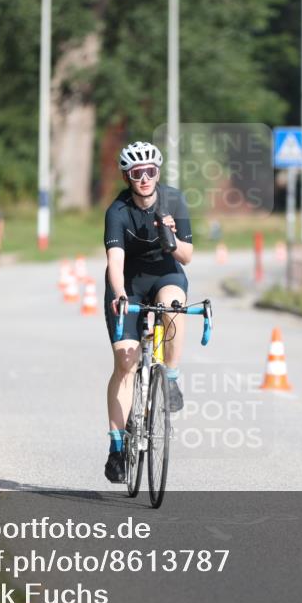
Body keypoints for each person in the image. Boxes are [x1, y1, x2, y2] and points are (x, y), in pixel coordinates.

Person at [102, 141, 194, 483]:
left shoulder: (174, 200)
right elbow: (115, 261)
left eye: (150, 172)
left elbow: (187, 256)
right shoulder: (118, 211)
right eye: (137, 173)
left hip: (165, 273)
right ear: (127, 176)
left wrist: (170, 236)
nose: (144, 178)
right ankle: (116, 447)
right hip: (128, 281)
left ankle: (170, 377)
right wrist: (120, 294)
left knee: (173, 305)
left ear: (157, 173)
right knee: (125, 363)